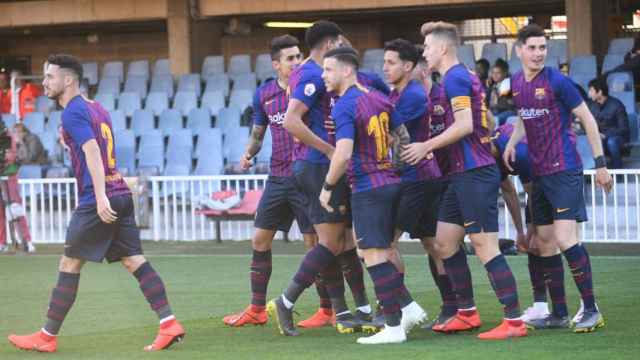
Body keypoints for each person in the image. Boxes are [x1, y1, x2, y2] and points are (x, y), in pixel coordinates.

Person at [7, 54, 185, 353]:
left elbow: (92, 150)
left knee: (69, 262)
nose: (45, 82)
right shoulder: (96, 108)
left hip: (98, 198)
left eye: (49, 76)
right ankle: (169, 323)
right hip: (120, 193)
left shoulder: (72, 112)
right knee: (133, 260)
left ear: (68, 80)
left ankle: (46, 337)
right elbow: (95, 146)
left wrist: (100, 196)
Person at [403, 21, 527, 340]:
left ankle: (514, 321)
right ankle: (467, 313)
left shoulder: (456, 77)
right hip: (460, 174)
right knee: (444, 242)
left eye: (428, 47)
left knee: (484, 245)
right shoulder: (452, 78)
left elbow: (466, 125)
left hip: (474, 173)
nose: (425, 53)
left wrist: (427, 146)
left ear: (443, 48)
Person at [505, 24, 612, 332]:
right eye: (533, 47)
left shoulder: (558, 82)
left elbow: (588, 119)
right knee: (543, 243)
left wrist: (601, 164)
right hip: (538, 175)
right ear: (519, 49)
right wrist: (512, 143)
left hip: (564, 170)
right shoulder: (515, 83)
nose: (539, 53)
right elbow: (524, 119)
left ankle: (591, 309)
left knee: (566, 239)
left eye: (543, 48)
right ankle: (559, 313)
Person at [268, 20, 372, 337]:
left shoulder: (309, 72)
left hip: (313, 166)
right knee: (332, 242)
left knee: (342, 243)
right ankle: (286, 301)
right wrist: (330, 151)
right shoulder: (314, 74)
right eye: (339, 41)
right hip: (316, 166)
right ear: (329, 46)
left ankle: (349, 311)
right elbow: (291, 121)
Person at [222, 35, 334, 328]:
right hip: (279, 176)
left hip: (307, 174)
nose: (297, 62)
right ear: (276, 64)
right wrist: (248, 153)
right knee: (259, 239)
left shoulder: (310, 87)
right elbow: (259, 133)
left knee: (314, 244)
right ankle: (257, 309)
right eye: (290, 58)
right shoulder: (265, 94)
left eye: (299, 56)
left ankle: (326, 309)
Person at [320, 46, 425, 344]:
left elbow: (343, 154)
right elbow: (403, 137)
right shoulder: (379, 98)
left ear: (347, 71)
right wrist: (393, 168)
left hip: (368, 187)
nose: (324, 75)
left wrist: (327, 188)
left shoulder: (343, 105)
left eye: (328, 69)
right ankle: (410, 307)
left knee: (375, 256)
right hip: (390, 182)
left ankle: (393, 328)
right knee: (371, 252)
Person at [381, 39, 450, 327]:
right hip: (420, 178)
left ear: (408, 67)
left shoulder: (411, 97)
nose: (385, 68)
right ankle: (453, 307)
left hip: (416, 181)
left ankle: (400, 306)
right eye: (384, 62)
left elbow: (385, 131)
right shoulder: (397, 94)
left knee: (382, 245)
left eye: (391, 63)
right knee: (433, 245)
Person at [0, 123, 35, 254]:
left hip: (10, 178)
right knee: (0, 213)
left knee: (16, 210)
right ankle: (2, 243)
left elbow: (10, 158)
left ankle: (27, 241)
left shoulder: (8, 137)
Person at [587, 77, 629, 169]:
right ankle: (598, 172)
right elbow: (586, 123)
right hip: (601, 137)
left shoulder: (617, 105)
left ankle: (617, 172)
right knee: (595, 141)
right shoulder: (591, 105)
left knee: (611, 142)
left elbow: (623, 129)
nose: (589, 94)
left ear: (600, 92)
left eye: (591, 90)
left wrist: (605, 135)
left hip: (618, 138)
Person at [487, 59, 516, 125]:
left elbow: (506, 104)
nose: (495, 75)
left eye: (498, 73)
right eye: (493, 73)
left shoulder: (507, 84)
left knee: (495, 119)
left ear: (504, 74)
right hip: (494, 111)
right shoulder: (492, 86)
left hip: (507, 111)